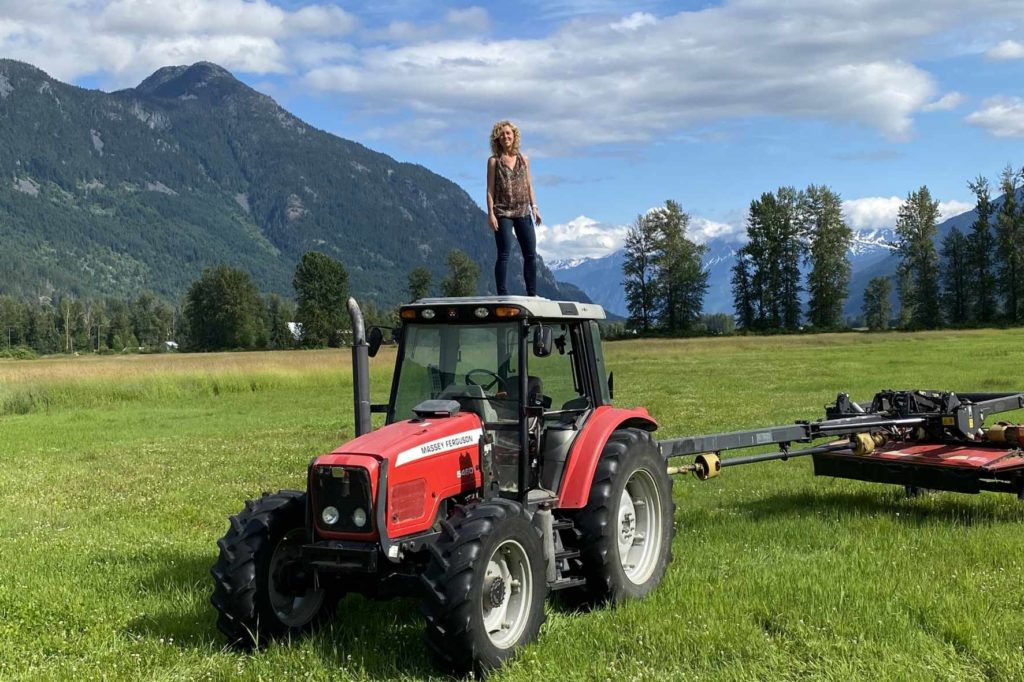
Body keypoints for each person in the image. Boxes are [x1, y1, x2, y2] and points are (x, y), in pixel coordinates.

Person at [486, 120, 541, 296]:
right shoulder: (494, 161)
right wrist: (491, 214)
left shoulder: (524, 160)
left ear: (514, 136)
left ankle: (532, 293)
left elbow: (529, 185)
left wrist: (535, 207)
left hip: (523, 211)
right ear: (497, 139)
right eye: (502, 134)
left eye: (508, 133)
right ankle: (502, 293)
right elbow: (490, 190)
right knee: (504, 253)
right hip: (502, 212)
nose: (505, 137)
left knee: (530, 254)